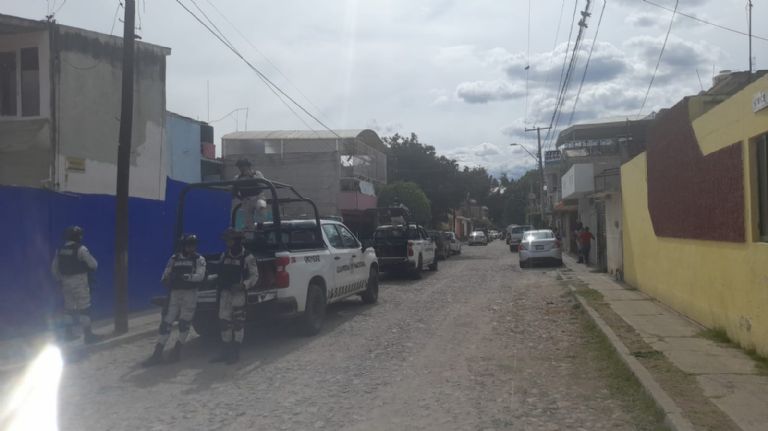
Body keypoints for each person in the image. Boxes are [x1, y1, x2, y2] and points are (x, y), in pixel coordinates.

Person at [142, 234, 206, 366]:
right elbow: (166, 272)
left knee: (184, 322)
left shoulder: (199, 259)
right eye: (188, 244)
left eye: (193, 244)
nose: (191, 247)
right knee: (166, 322)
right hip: (175, 293)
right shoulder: (174, 258)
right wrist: (166, 279)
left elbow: (200, 276)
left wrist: (185, 277)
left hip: (190, 293)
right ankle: (157, 353)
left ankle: (177, 350)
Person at [210, 228, 259, 364]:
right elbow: (219, 272)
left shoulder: (248, 257)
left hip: (239, 294)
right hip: (225, 294)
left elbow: (255, 276)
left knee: (238, 323)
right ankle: (225, 352)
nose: (227, 243)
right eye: (227, 240)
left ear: (237, 241)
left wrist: (243, 285)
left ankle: (235, 353)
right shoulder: (224, 255)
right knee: (224, 322)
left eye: (230, 240)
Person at [50, 226, 101, 344]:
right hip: (79, 281)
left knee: (69, 309)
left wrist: (60, 280)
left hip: (65, 282)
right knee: (84, 309)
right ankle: (88, 336)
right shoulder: (81, 249)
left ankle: (68, 334)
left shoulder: (60, 249)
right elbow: (94, 265)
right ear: (77, 236)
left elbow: (54, 269)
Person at [233, 158, 266, 229]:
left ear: (248, 166)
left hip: (258, 197)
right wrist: (241, 198)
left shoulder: (257, 173)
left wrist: (251, 176)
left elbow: (263, 184)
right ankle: (251, 234)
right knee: (248, 221)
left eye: (243, 166)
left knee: (261, 205)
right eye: (240, 166)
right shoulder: (237, 178)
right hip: (246, 199)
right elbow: (234, 191)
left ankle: (260, 227)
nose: (241, 168)